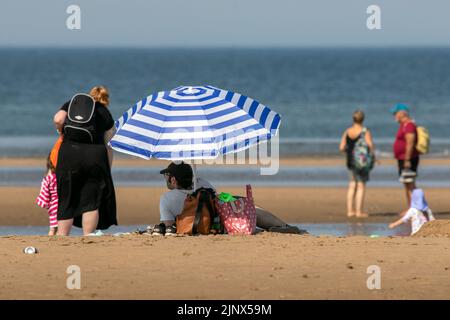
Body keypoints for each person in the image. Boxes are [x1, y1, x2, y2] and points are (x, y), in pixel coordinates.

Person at [149, 161, 302, 236]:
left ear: (174, 180)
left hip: (204, 228)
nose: (166, 179)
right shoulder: (202, 183)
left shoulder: (166, 199)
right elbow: (217, 202)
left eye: (167, 176)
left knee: (249, 225)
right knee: (252, 211)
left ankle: (268, 230)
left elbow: (169, 227)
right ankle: (283, 226)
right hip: (223, 221)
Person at [53, 86, 117, 236]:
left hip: (69, 154)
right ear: (105, 99)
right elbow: (109, 145)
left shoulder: (71, 104)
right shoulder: (104, 113)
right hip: (94, 157)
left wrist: (60, 130)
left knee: (66, 199)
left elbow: (58, 119)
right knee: (91, 201)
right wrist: (107, 167)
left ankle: (62, 237)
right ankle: (88, 236)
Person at [339, 110, 375, 218]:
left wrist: (350, 151)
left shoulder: (348, 131)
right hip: (362, 162)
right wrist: (373, 156)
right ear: (362, 119)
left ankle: (350, 211)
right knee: (361, 186)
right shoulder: (365, 131)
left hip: (350, 161)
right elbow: (370, 145)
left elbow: (341, 147)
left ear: (353, 119)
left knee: (352, 185)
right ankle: (359, 212)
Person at [391, 104, 420, 211]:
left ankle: (415, 208)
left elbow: (410, 143)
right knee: (407, 183)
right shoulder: (403, 125)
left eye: (395, 113)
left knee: (410, 184)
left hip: (408, 159)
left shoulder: (409, 125)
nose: (394, 116)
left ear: (402, 113)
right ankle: (411, 208)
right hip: (402, 158)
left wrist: (407, 159)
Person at [36, 154, 59, 236]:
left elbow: (45, 193)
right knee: (61, 227)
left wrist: (42, 201)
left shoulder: (49, 178)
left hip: (54, 206)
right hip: (64, 204)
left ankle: (51, 239)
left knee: (53, 228)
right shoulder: (63, 176)